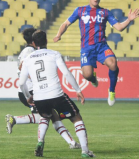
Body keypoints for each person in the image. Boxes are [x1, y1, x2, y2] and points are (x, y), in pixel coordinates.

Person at [53, 0, 139, 106]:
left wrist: (129, 19)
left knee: (113, 63)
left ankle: (112, 91)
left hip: (101, 47)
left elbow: (119, 27)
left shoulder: (105, 12)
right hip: (86, 48)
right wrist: (58, 34)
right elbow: (66, 23)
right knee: (87, 75)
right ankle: (93, 78)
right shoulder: (80, 10)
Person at [19, 30, 95, 158]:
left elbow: (22, 82)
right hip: (56, 94)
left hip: (39, 97)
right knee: (76, 118)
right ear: (46, 41)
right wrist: (77, 89)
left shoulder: (27, 59)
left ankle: (40, 142)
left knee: (45, 117)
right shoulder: (54, 54)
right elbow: (66, 73)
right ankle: (85, 151)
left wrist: (28, 97)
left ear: (33, 43)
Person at [5, 28, 80, 149]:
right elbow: (21, 69)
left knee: (51, 116)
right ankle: (15, 120)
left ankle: (71, 143)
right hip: (31, 90)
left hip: (33, 89)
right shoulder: (29, 51)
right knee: (46, 116)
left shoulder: (33, 51)